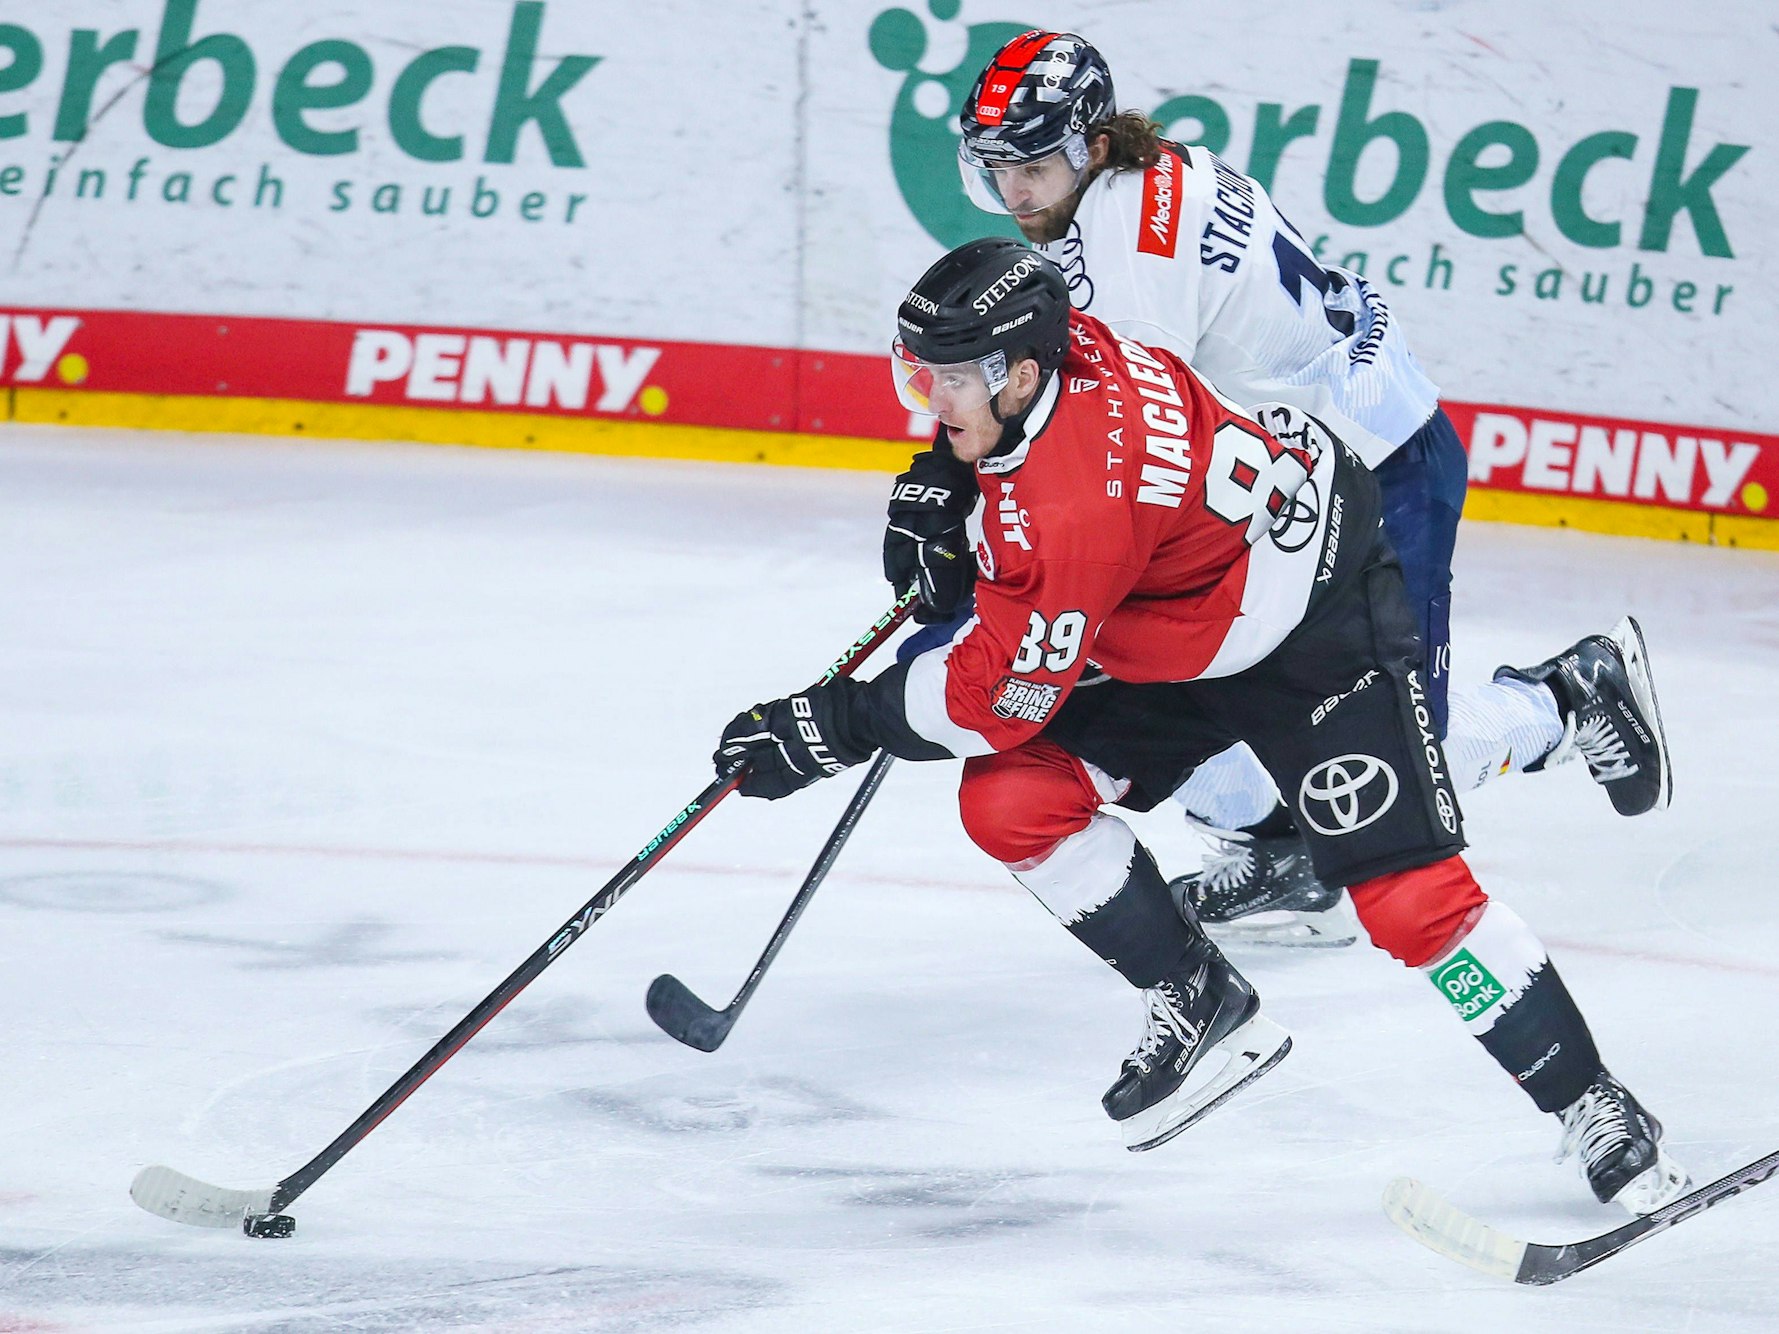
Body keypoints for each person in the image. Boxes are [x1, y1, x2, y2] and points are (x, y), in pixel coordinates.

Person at [717, 239, 1688, 1214]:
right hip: (1183, 614)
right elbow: (1013, 492)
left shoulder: (1072, 503)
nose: (932, 400)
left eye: (948, 383)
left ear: (1017, 372)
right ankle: (1198, 993)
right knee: (1016, 798)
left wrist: (831, 722)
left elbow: (992, 697)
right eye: (922, 376)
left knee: (1406, 898)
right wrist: (947, 480)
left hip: (1312, 621)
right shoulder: (1066, 351)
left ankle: (1593, 1097)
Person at [885, 30, 1670, 947]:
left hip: (1375, 470)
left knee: (1385, 751)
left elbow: (1115, 451)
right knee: (1179, 675)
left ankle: (1566, 700)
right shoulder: (1139, 176)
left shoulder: (1129, 256)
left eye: (1034, 167)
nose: (1014, 194)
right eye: (995, 171)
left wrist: (999, 565)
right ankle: (1274, 843)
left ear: (1091, 143)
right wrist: (942, 474)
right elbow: (1062, 375)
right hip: (1288, 482)